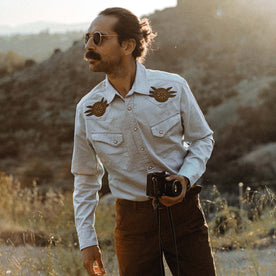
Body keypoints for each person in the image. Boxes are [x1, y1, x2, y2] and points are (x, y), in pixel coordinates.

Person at [71, 7, 216, 276]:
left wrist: (185, 178)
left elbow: (202, 139)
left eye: (99, 38)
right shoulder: (88, 109)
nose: (89, 46)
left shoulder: (173, 88)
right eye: (87, 37)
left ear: (128, 45)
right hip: (132, 223)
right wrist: (87, 241)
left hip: (183, 214)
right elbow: (85, 177)